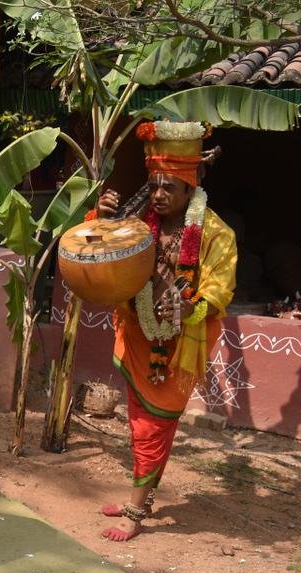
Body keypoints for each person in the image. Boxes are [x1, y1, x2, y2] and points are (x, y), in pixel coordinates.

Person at [94, 120, 236, 541]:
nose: (157, 194)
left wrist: (189, 305)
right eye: (153, 185)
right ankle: (143, 495)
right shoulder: (138, 221)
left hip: (178, 346)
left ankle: (135, 512)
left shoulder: (216, 234)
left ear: (190, 189)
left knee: (152, 425)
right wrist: (102, 220)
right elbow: (99, 251)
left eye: (168, 187)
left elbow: (218, 291)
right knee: (141, 421)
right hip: (139, 333)